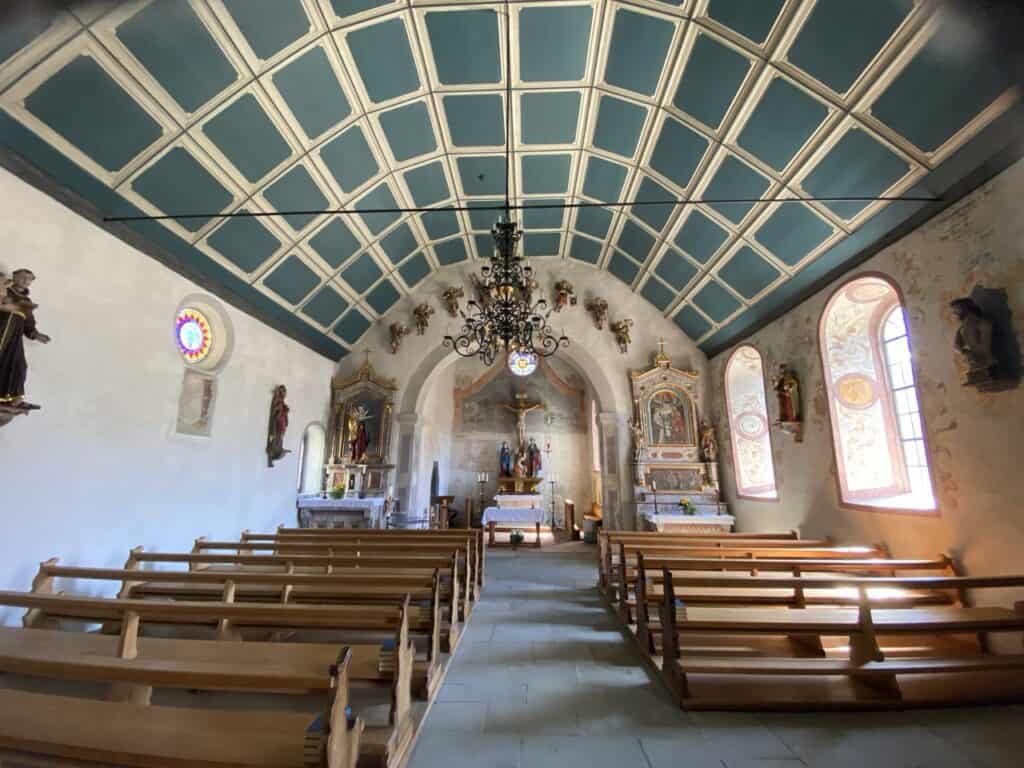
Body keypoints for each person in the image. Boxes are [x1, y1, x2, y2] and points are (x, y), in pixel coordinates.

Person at [0, 268, 50, 411]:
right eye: (22, 277)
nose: (26, 281)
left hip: (14, 337)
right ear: (14, 277)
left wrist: (35, 334)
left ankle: (15, 400)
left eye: (29, 279)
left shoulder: (26, 301)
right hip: (2, 331)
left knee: (19, 365)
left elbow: (28, 322)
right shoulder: (5, 289)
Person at [266, 385, 290, 467]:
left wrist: (285, 410)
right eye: (282, 392)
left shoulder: (282, 402)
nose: (284, 394)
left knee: (280, 437)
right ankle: (271, 454)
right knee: (275, 437)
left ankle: (278, 448)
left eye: (284, 392)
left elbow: (283, 411)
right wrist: (280, 410)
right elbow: (275, 411)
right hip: (277, 423)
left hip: (282, 423)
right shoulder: (277, 400)